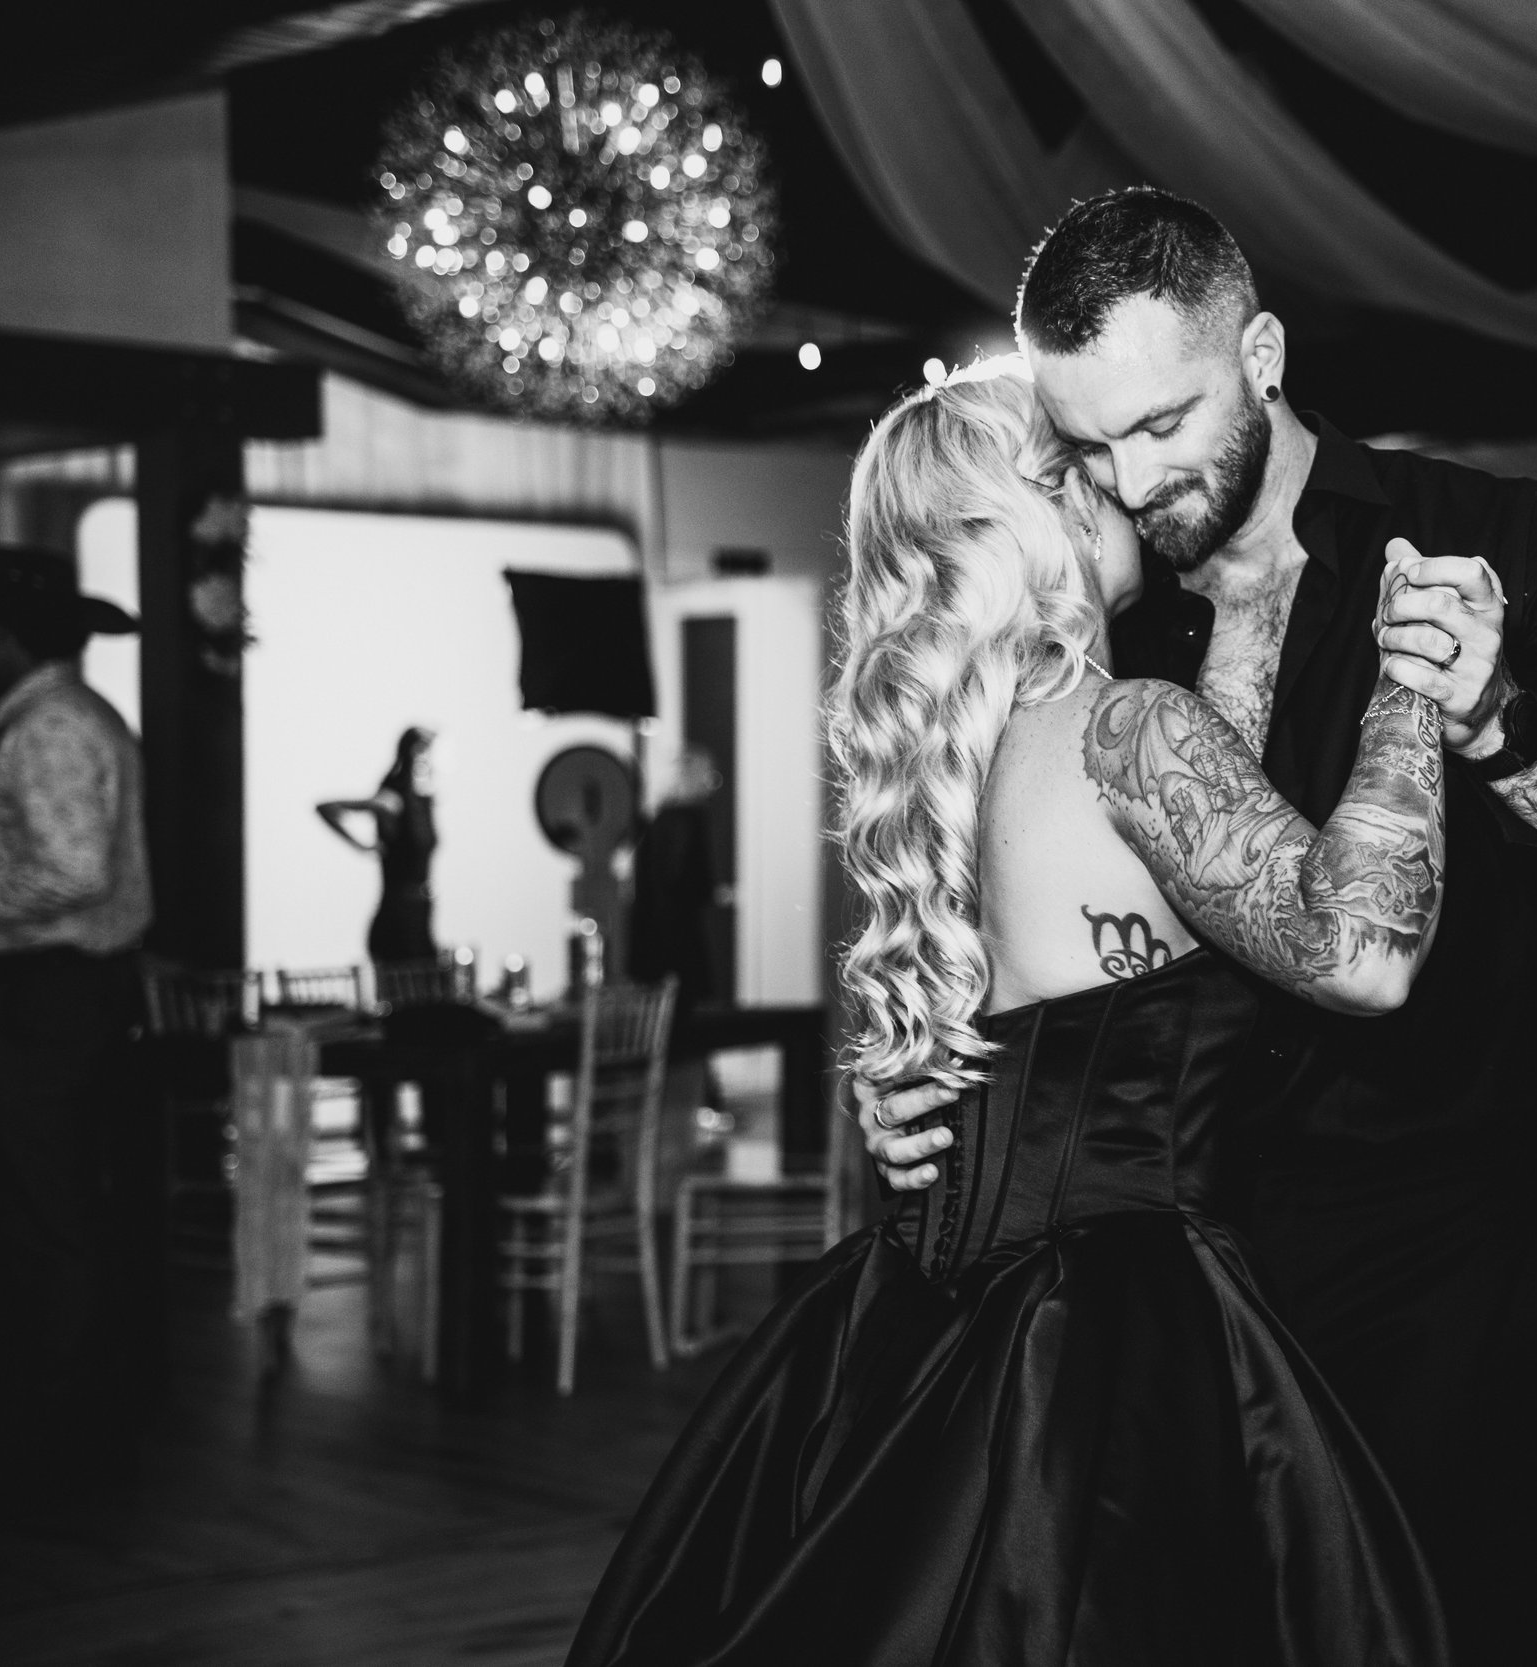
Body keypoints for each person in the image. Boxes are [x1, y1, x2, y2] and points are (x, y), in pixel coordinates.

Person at [866, 189, 1537, 1665]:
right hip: (1171, 1276)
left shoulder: (1488, 541)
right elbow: (1010, 889)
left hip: (1434, 1265)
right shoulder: (1103, 608)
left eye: (1164, 424)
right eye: (1088, 446)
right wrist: (938, 1080)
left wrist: (1498, 726)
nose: (1132, 480)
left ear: (1261, 357)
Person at [566, 362, 1454, 1664]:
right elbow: (1364, 957)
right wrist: (1415, 681)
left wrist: (1251, 603)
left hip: (916, 1319)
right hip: (1115, 1341)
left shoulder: (948, 769)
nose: (1129, 484)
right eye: (1093, 459)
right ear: (1052, 506)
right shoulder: (1127, 730)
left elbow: (1154, 890)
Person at [0, 544, 150, 1469]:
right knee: (54, 1192)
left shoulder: (48, 728)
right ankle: (71, 1397)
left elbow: (74, 869)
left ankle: (56, 1409)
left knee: (42, 1199)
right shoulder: (82, 716)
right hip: (76, 987)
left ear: (13, 637)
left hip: (47, 990)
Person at [317, 726, 439, 963]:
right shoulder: (393, 799)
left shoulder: (422, 803)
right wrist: (361, 846)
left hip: (422, 915)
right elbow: (326, 808)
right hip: (399, 921)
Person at [627, 743, 722, 1007]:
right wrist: (708, 891)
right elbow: (678, 877)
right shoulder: (688, 819)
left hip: (652, 935)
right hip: (677, 935)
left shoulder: (660, 818)